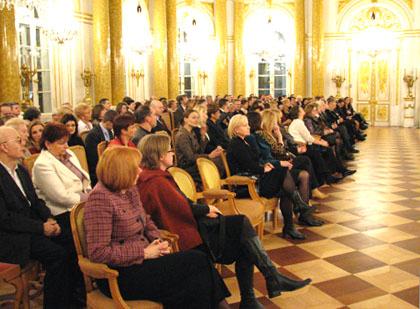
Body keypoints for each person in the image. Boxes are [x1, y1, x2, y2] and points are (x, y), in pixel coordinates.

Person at [137, 134, 311, 308]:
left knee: (243, 234)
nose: (173, 154)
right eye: (169, 150)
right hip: (186, 236)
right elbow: (181, 208)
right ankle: (267, 283)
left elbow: (183, 204)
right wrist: (206, 209)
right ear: (160, 155)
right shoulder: (155, 181)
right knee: (242, 232)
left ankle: (259, 291)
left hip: (191, 225)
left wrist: (203, 210)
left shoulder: (159, 176)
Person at [84, 146, 230, 308]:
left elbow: (146, 221)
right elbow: (98, 253)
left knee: (198, 264)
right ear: (121, 171)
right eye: (135, 167)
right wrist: (144, 253)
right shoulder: (100, 198)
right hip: (120, 273)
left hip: (144, 261)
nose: (140, 171)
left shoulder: (129, 189)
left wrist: (158, 241)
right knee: (194, 268)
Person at [0, 126, 81, 309]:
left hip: (30, 227)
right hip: (10, 237)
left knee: (71, 240)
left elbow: (35, 202)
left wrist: (49, 219)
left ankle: (74, 298)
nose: (24, 144)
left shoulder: (20, 170)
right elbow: (5, 219)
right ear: (4, 147)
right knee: (58, 255)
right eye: (18, 141)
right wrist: (41, 228)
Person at [227, 115, 318, 240]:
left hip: (256, 178)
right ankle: (297, 209)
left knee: (286, 187)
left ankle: (291, 224)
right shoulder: (236, 144)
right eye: (245, 125)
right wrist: (263, 168)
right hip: (247, 185)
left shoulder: (244, 141)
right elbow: (248, 166)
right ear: (236, 129)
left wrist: (265, 165)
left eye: (247, 124)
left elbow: (255, 161)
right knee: (283, 175)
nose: (248, 127)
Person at [175, 109, 223, 182]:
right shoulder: (182, 135)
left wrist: (203, 136)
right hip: (187, 166)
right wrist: (209, 156)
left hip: (194, 163)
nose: (196, 120)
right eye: (193, 118)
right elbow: (190, 157)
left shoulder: (192, 132)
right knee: (214, 164)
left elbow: (199, 151)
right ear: (185, 119)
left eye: (197, 118)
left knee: (219, 160)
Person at [85, 109, 117, 186]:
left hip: (107, 164)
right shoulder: (93, 135)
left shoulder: (109, 131)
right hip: (97, 169)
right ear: (109, 122)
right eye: (114, 124)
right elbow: (94, 158)